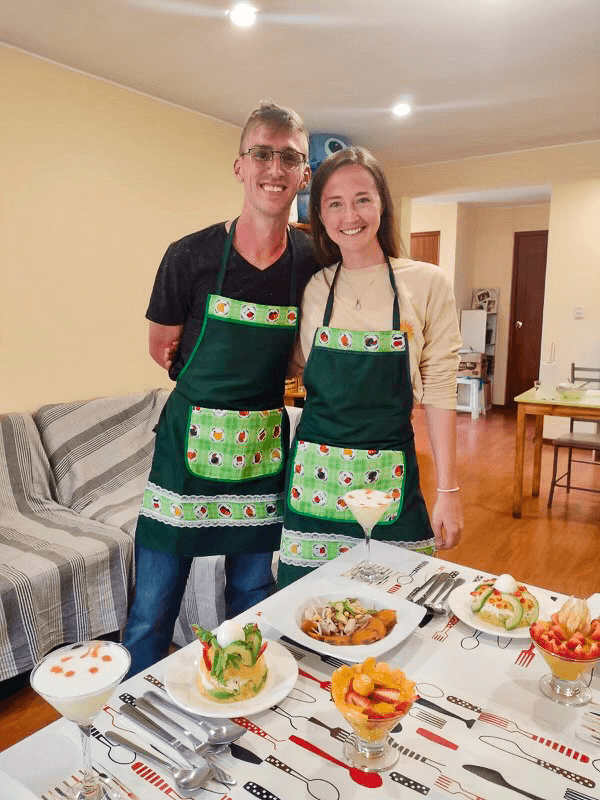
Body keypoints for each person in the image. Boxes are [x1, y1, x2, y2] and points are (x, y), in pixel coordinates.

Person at [123, 102, 318, 675]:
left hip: (259, 448)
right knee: (153, 603)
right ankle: (132, 711)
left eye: (289, 158)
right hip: (187, 448)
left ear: (304, 174)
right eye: (262, 153)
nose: (275, 168)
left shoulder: (312, 261)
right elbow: (162, 346)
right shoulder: (190, 254)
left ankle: (245, 692)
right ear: (240, 166)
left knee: (253, 594)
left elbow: (310, 348)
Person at [277, 146, 463, 588]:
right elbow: (287, 363)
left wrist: (448, 492)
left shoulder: (427, 283)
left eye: (363, 199)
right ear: (320, 215)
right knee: (305, 607)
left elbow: (440, 390)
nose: (350, 215)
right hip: (315, 479)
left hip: (389, 480)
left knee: (399, 602)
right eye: (334, 203)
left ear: (383, 204)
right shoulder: (312, 288)